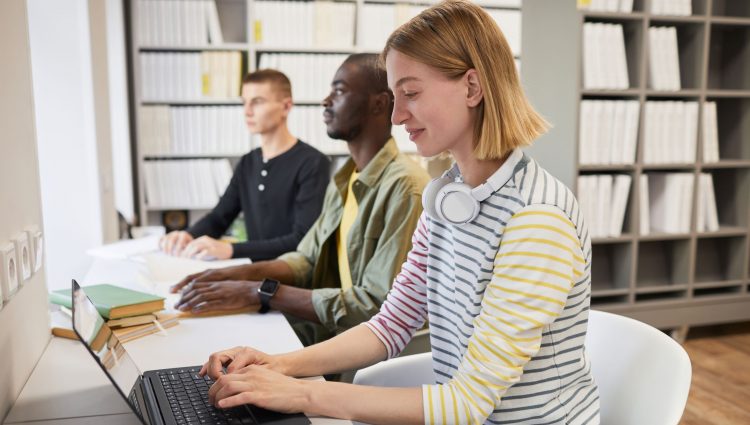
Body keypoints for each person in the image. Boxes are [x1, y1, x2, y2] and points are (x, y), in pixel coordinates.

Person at [192, 1, 601, 424]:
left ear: (473, 88)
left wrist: (302, 395)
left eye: (410, 93)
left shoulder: (537, 221)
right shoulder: (448, 198)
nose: (397, 115)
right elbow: (390, 325)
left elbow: (466, 404)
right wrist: (277, 365)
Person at [171, 54, 431, 347]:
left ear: (380, 103)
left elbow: (374, 305)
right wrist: (235, 274)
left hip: (364, 348)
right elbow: (306, 258)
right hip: (332, 329)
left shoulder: (406, 188)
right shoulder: (345, 179)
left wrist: (258, 291)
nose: (326, 101)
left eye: (340, 91)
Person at [159, 69, 330, 262]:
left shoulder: (313, 162)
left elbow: (302, 240)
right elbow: (219, 217)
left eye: (257, 102)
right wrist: (188, 235)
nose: (247, 111)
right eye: (244, 102)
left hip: (294, 279)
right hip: (255, 273)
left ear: (286, 106)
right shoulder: (248, 162)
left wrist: (231, 250)